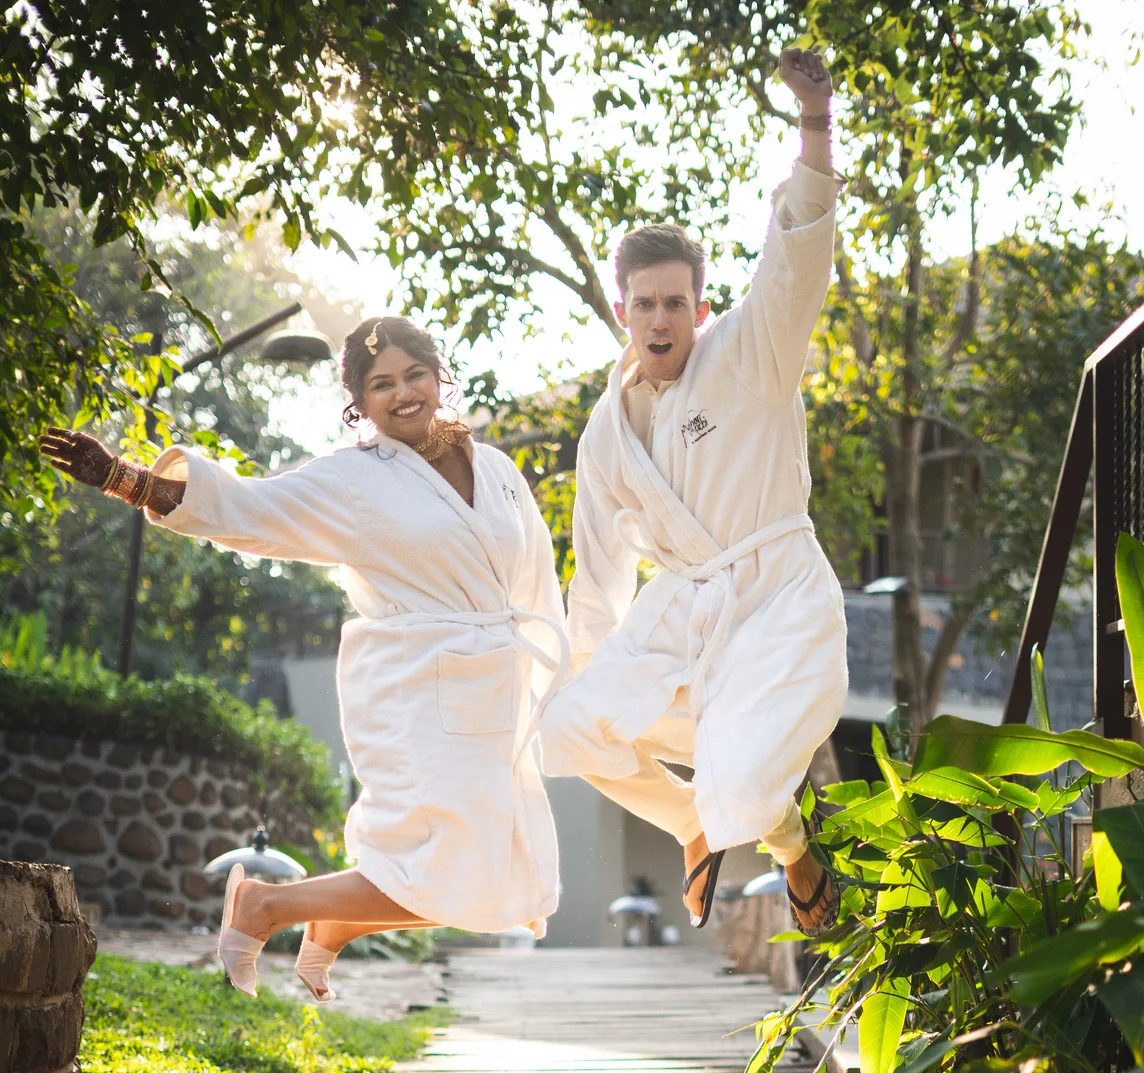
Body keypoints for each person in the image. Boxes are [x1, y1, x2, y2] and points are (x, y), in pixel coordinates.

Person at [40, 317, 567, 999]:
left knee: (496, 874)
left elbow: (538, 580)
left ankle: (330, 929)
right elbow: (251, 510)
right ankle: (266, 907)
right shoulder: (356, 479)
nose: (403, 394)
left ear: (440, 378)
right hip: (415, 688)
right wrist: (127, 480)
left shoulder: (495, 469)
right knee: (454, 870)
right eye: (382, 385)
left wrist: (557, 685)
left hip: (493, 686)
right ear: (360, 404)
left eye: (414, 375)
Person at [538, 46, 848, 933]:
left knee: (748, 790)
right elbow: (597, 574)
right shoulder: (607, 431)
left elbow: (796, 258)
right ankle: (689, 823)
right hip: (682, 615)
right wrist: (592, 671)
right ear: (622, 312)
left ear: (702, 308)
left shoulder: (752, 354)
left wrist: (814, 120)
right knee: (565, 727)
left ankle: (790, 847)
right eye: (646, 305)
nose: (662, 319)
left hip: (776, 596)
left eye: (678, 303)